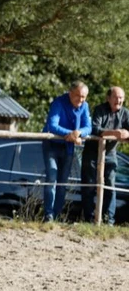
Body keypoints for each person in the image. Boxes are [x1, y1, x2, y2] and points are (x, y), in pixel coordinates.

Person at [42, 80, 92, 222]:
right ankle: (48, 215)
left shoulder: (85, 106)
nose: (81, 100)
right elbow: (52, 125)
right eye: (78, 96)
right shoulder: (58, 102)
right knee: (51, 177)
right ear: (70, 93)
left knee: (63, 182)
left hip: (68, 147)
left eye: (84, 97)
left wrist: (78, 133)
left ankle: (57, 215)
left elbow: (88, 127)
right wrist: (72, 134)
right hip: (51, 144)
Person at [81, 86, 129, 225]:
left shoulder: (125, 113)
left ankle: (109, 221)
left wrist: (126, 134)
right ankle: (89, 219)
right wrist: (115, 133)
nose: (118, 100)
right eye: (115, 97)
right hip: (92, 153)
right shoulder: (100, 109)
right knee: (89, 186)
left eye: (121, 98)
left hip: (110, 154)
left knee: (110, 186)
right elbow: (95, 129)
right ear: (108, 98)